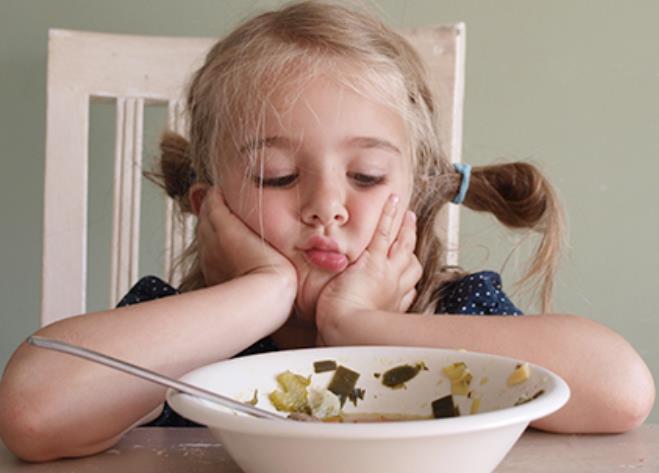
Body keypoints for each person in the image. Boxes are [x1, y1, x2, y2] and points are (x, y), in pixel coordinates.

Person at [0, 0, 654, 462]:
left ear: (416, 195)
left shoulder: (449, 310)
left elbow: (620, 391)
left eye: (366, 176)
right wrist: (263, 289)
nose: (325, 206)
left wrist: (363, 324)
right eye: (278, 176)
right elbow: (33, 412)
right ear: (208, 204)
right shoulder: (177, 329)